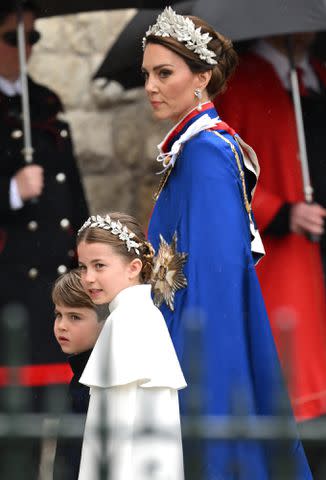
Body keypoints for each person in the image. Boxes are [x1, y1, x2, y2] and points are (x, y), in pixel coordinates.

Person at [143, 7, 312, 479]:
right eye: (147, 75)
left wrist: (198, 378)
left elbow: (215, 287)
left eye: (164, 73)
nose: (151, 86)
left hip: (199, 352)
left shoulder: (205, 153)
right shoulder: (193, 149)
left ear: (202, 77)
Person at [215, 32, 326, 478]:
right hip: (286, 251)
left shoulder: (314, 77)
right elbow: (226, 173)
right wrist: (282, 212)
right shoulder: (241, 82)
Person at [0, 0, 89, 408]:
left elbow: (73, 195)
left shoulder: (45, 102)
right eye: (13, 36)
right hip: (11, 281)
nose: (25, 46)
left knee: (60, 403)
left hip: (56, 277)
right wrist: (11, 191)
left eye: (32, 36)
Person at [76, 211, 186, 480]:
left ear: (133, 267)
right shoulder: (146, 315)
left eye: (99, 265)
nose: (88, 277)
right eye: (83, 266)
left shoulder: (125, 321)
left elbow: (115, 437)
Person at [52, 269, 108, 479]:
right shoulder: (80, 371)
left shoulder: (97, 381)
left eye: (75, 317)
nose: (61, 326)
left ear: (105, 321)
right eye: (59, 314)